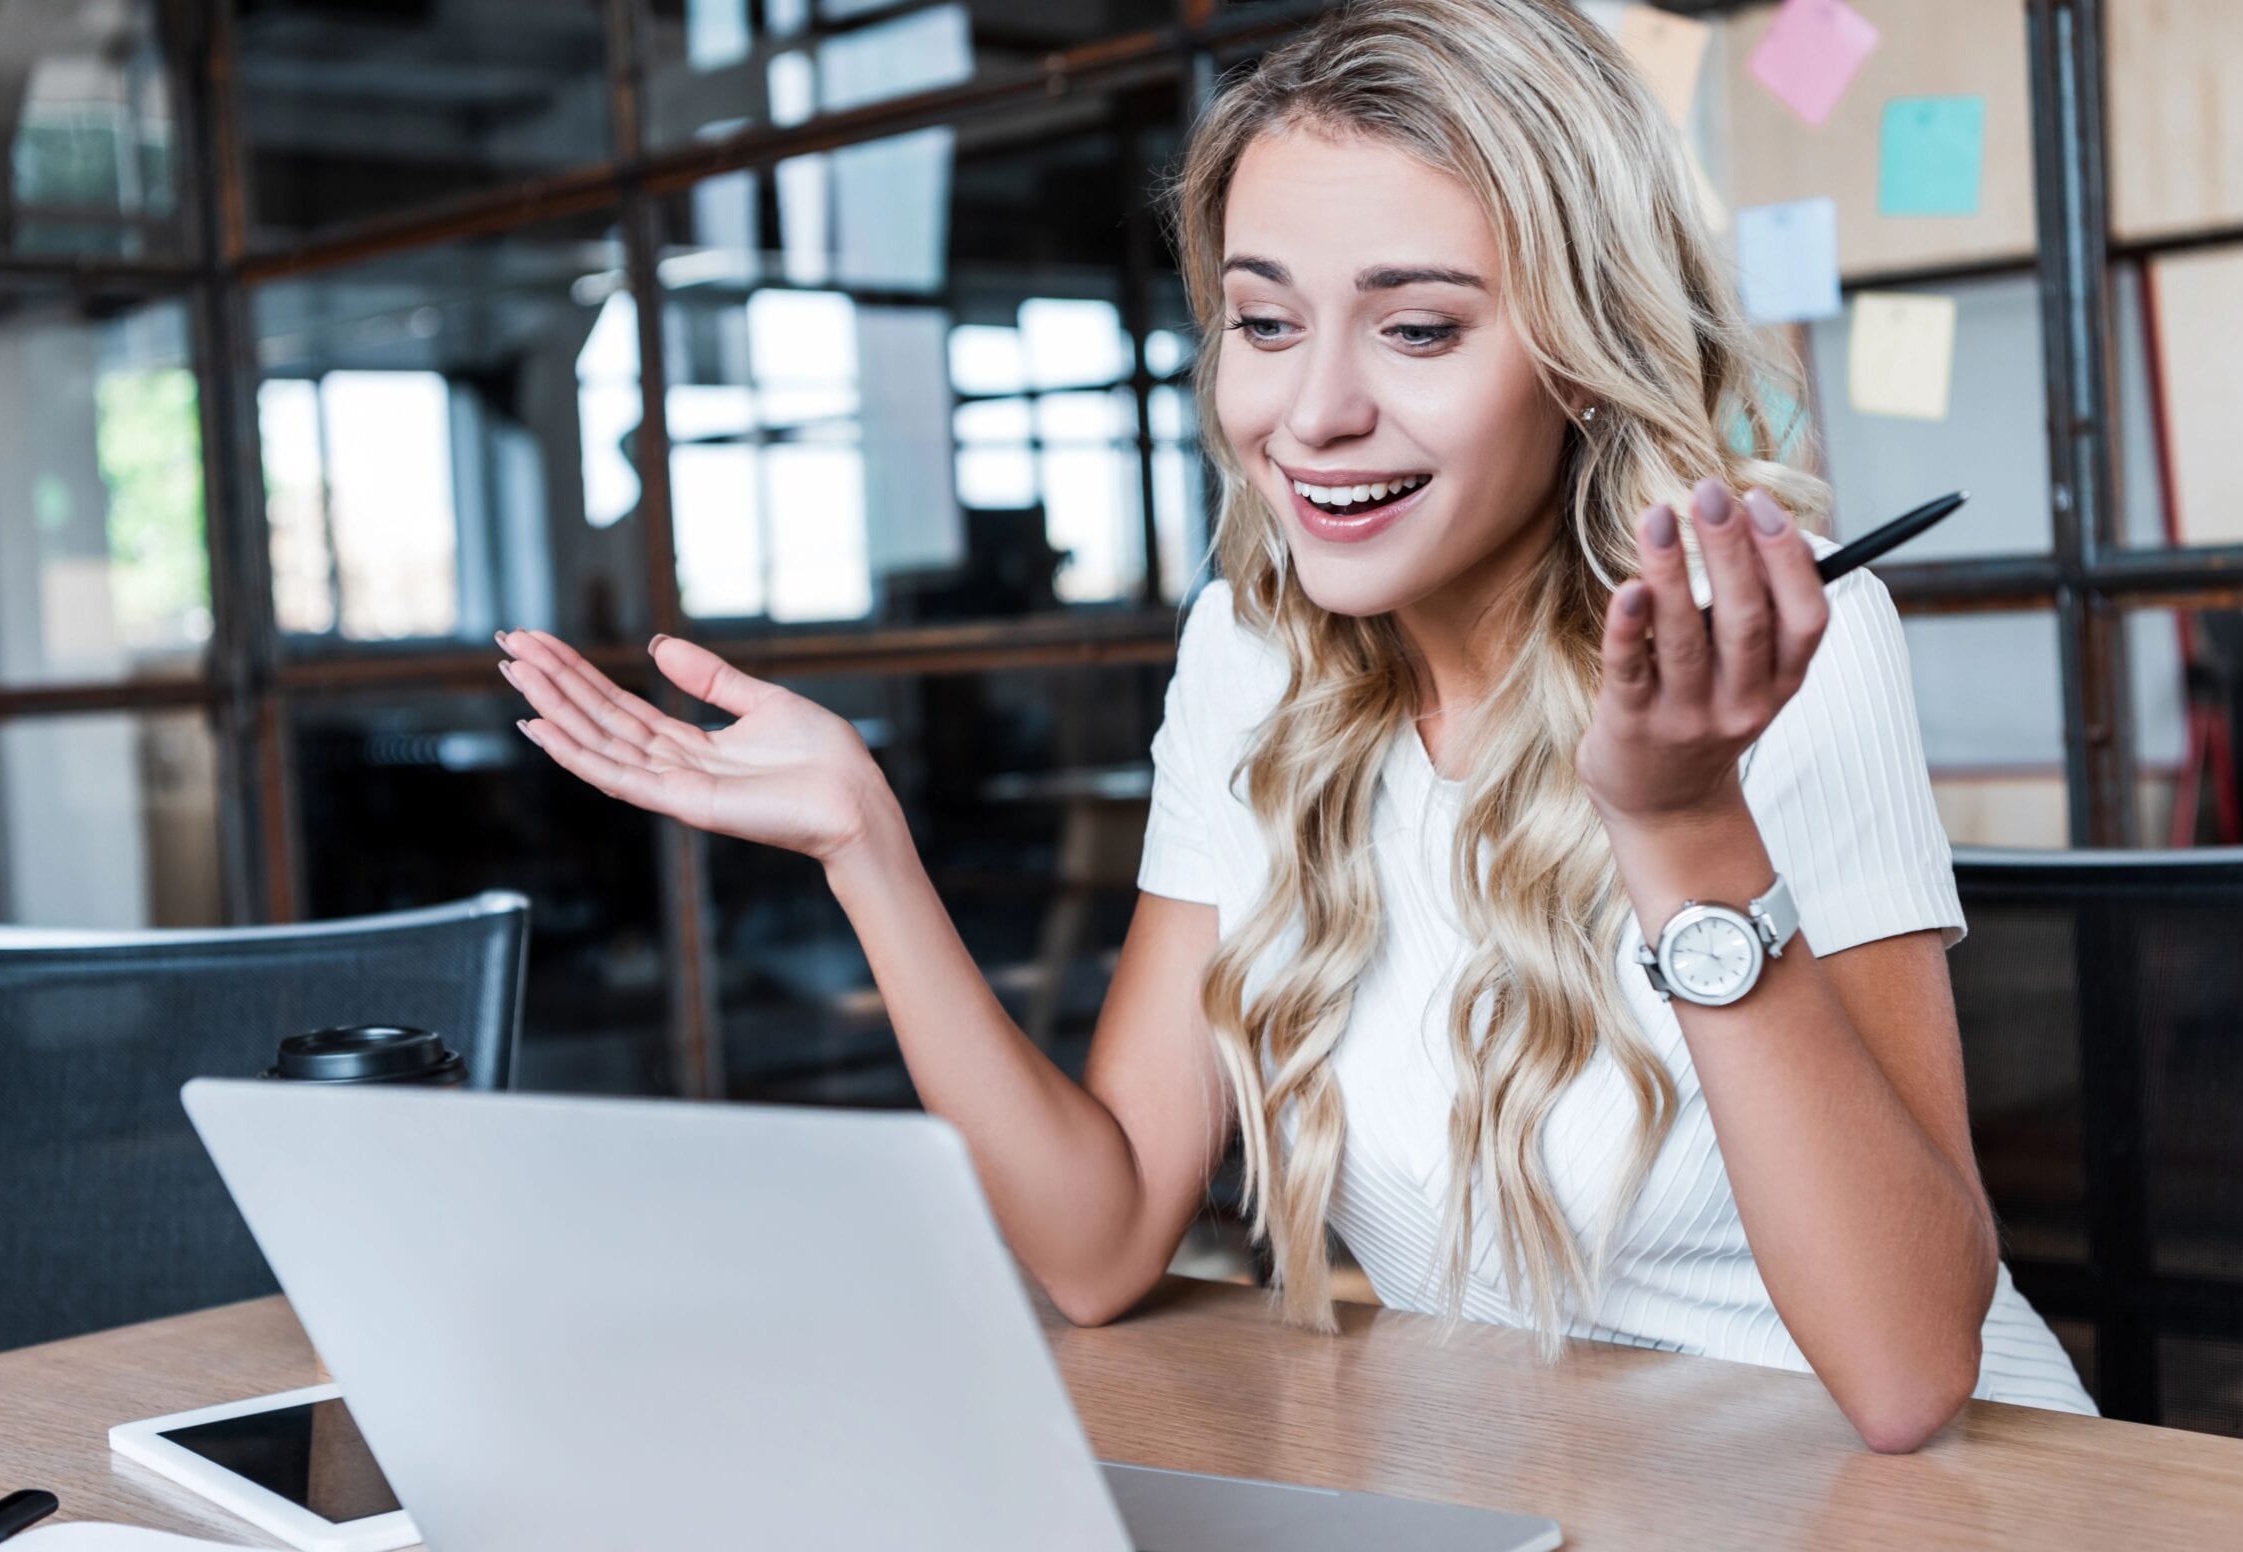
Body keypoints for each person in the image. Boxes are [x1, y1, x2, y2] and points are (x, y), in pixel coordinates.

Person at [495, 0, 2095, 1450]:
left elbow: (1906, 1375)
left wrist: (1685, 826)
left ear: (1581, 359)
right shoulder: (1256, 651)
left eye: (1417, 328)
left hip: (1929, 1529)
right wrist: (867, 847)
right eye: (1265, 324)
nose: (1314, 414)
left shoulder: (1770, 633)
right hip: (1562, 1508)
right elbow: (1102, 1239)